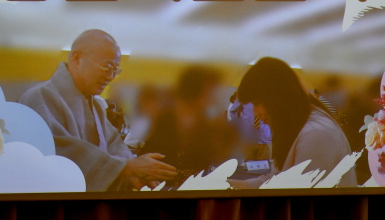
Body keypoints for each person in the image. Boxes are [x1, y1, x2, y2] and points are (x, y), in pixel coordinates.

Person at [19, 29, 177, 191]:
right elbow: (56, 153)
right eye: (106, 67)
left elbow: (115, 148)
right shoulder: (40, 97)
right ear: (77, 59)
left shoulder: (96, 106)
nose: (110, 77)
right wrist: (126, 168)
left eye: (115, 70)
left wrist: (131, 176)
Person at [228, 57, 357, 189]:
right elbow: (274, 181)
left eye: (257, 103)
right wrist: (232, 186)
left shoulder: (316, 134)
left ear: (278, 98)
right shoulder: (296, 127)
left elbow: (302, 197)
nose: (256, 113)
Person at [140, 65, 236, 187]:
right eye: (211, 91)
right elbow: (149, 154)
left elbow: (213, 158)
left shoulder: (205, 122)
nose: (213, 96)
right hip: (162, 187)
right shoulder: (166, 117)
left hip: (192, 188)